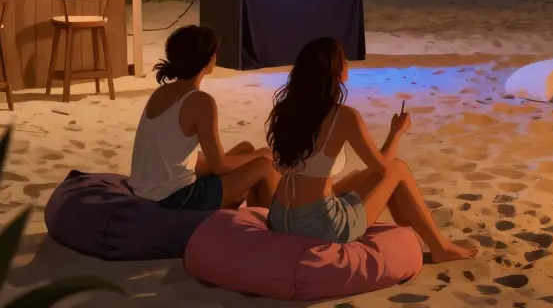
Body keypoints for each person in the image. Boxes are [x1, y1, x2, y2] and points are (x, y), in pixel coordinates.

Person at [265, 37, 476, 263]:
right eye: (343, 58)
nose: (347, 61)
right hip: (319, 226)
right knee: (397, 169)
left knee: (360, 177)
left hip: (279, 217)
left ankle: (412, 225)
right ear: (335, 70)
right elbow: (383, 166)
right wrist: (396, 131)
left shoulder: (286, 109)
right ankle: (439, 246)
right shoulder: (343, 116)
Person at [128, 25, 279, 210]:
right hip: (174, 197)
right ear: (209, 60)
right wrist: (261, 154)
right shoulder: (200, 101)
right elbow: (220, 166)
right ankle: (265, 232)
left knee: (246, 148)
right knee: (264, 165)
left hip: (145, 188)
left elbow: (168, 150)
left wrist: (251, 154)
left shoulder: (161, 92)